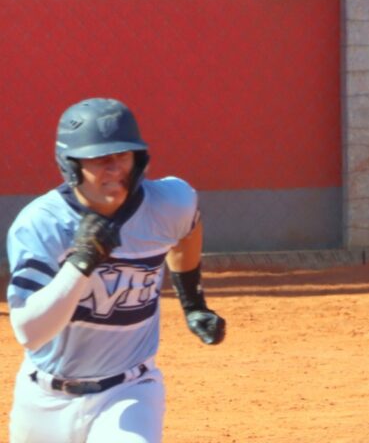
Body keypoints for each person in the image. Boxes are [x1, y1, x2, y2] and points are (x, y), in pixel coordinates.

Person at [6, 98, 226, 442]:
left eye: (123, 156)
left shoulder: (169, 203)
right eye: (99, 159)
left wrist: (193, 303)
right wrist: (81, 263)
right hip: (44, 400)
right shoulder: (42, 225)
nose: (114, 169)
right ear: (71, 165)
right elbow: (30, 332)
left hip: (129, 390)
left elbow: (188, 228)